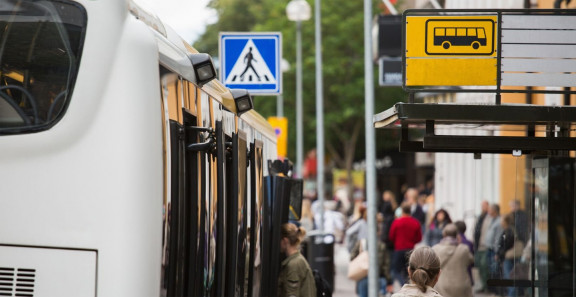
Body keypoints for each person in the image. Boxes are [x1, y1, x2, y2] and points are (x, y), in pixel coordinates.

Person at [432, 224, 474, 297]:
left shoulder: (435, 249)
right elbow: (471, 261)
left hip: (442, 285)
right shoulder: (464, 249)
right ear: (457, 235)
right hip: (461, 285)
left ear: (444, 234)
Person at [278, 223, 316, 297]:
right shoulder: (297, 260)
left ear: (285, 241)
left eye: (280, 240)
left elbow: (292, 294)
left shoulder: (294, 264)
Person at [389, 202, 422, 286]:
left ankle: (403, 284)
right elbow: (419, 238)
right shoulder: (415, 222)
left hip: (399, 249)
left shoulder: (396, 222)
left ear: (402, 211)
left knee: (396, 270)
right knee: (408, 271)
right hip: (410, 249)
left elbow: (391, 236)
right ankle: (407, 285)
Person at [473, 200, 492, 293]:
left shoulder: (490, 217)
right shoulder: (479, 217)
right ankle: (483, 285)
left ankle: (487, 286)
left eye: (484, 206)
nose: (483, 207)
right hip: (478, 245)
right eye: (482, 206)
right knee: (479, 266)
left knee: (485, 266)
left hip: (485, 246)